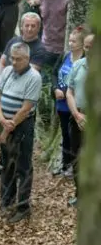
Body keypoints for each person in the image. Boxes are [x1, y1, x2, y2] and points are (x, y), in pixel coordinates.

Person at [0, 42, 42, 224]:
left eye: (18, 59)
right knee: (6, 163)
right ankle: (7, 200)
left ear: (27, 59)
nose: (14, 62)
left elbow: (25, 109)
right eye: (12, 58)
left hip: (21, 126)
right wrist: (1, 119)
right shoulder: (6, 72)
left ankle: (22, 207)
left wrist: (7, 127)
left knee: (23, 166)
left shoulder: (34, 77)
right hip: (4, 121)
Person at [52, 28, 84, 178]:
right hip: (61, 104)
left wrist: (67, 92)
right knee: (65, 135)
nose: (71, 44)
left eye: (74, 41)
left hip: (76, 105)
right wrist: (55, 89)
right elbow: (54, 73)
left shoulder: (84, 60)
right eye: (69, 40)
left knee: (75, 137)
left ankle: (76, 167)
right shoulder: (65, 55)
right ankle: (65, 164)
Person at [66, 33, 93, 207]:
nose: (90, 50)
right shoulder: (77, 66)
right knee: (77, 159)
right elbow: (69, 92)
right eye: (87, 47)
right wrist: (76, 114)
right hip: (77, 118)